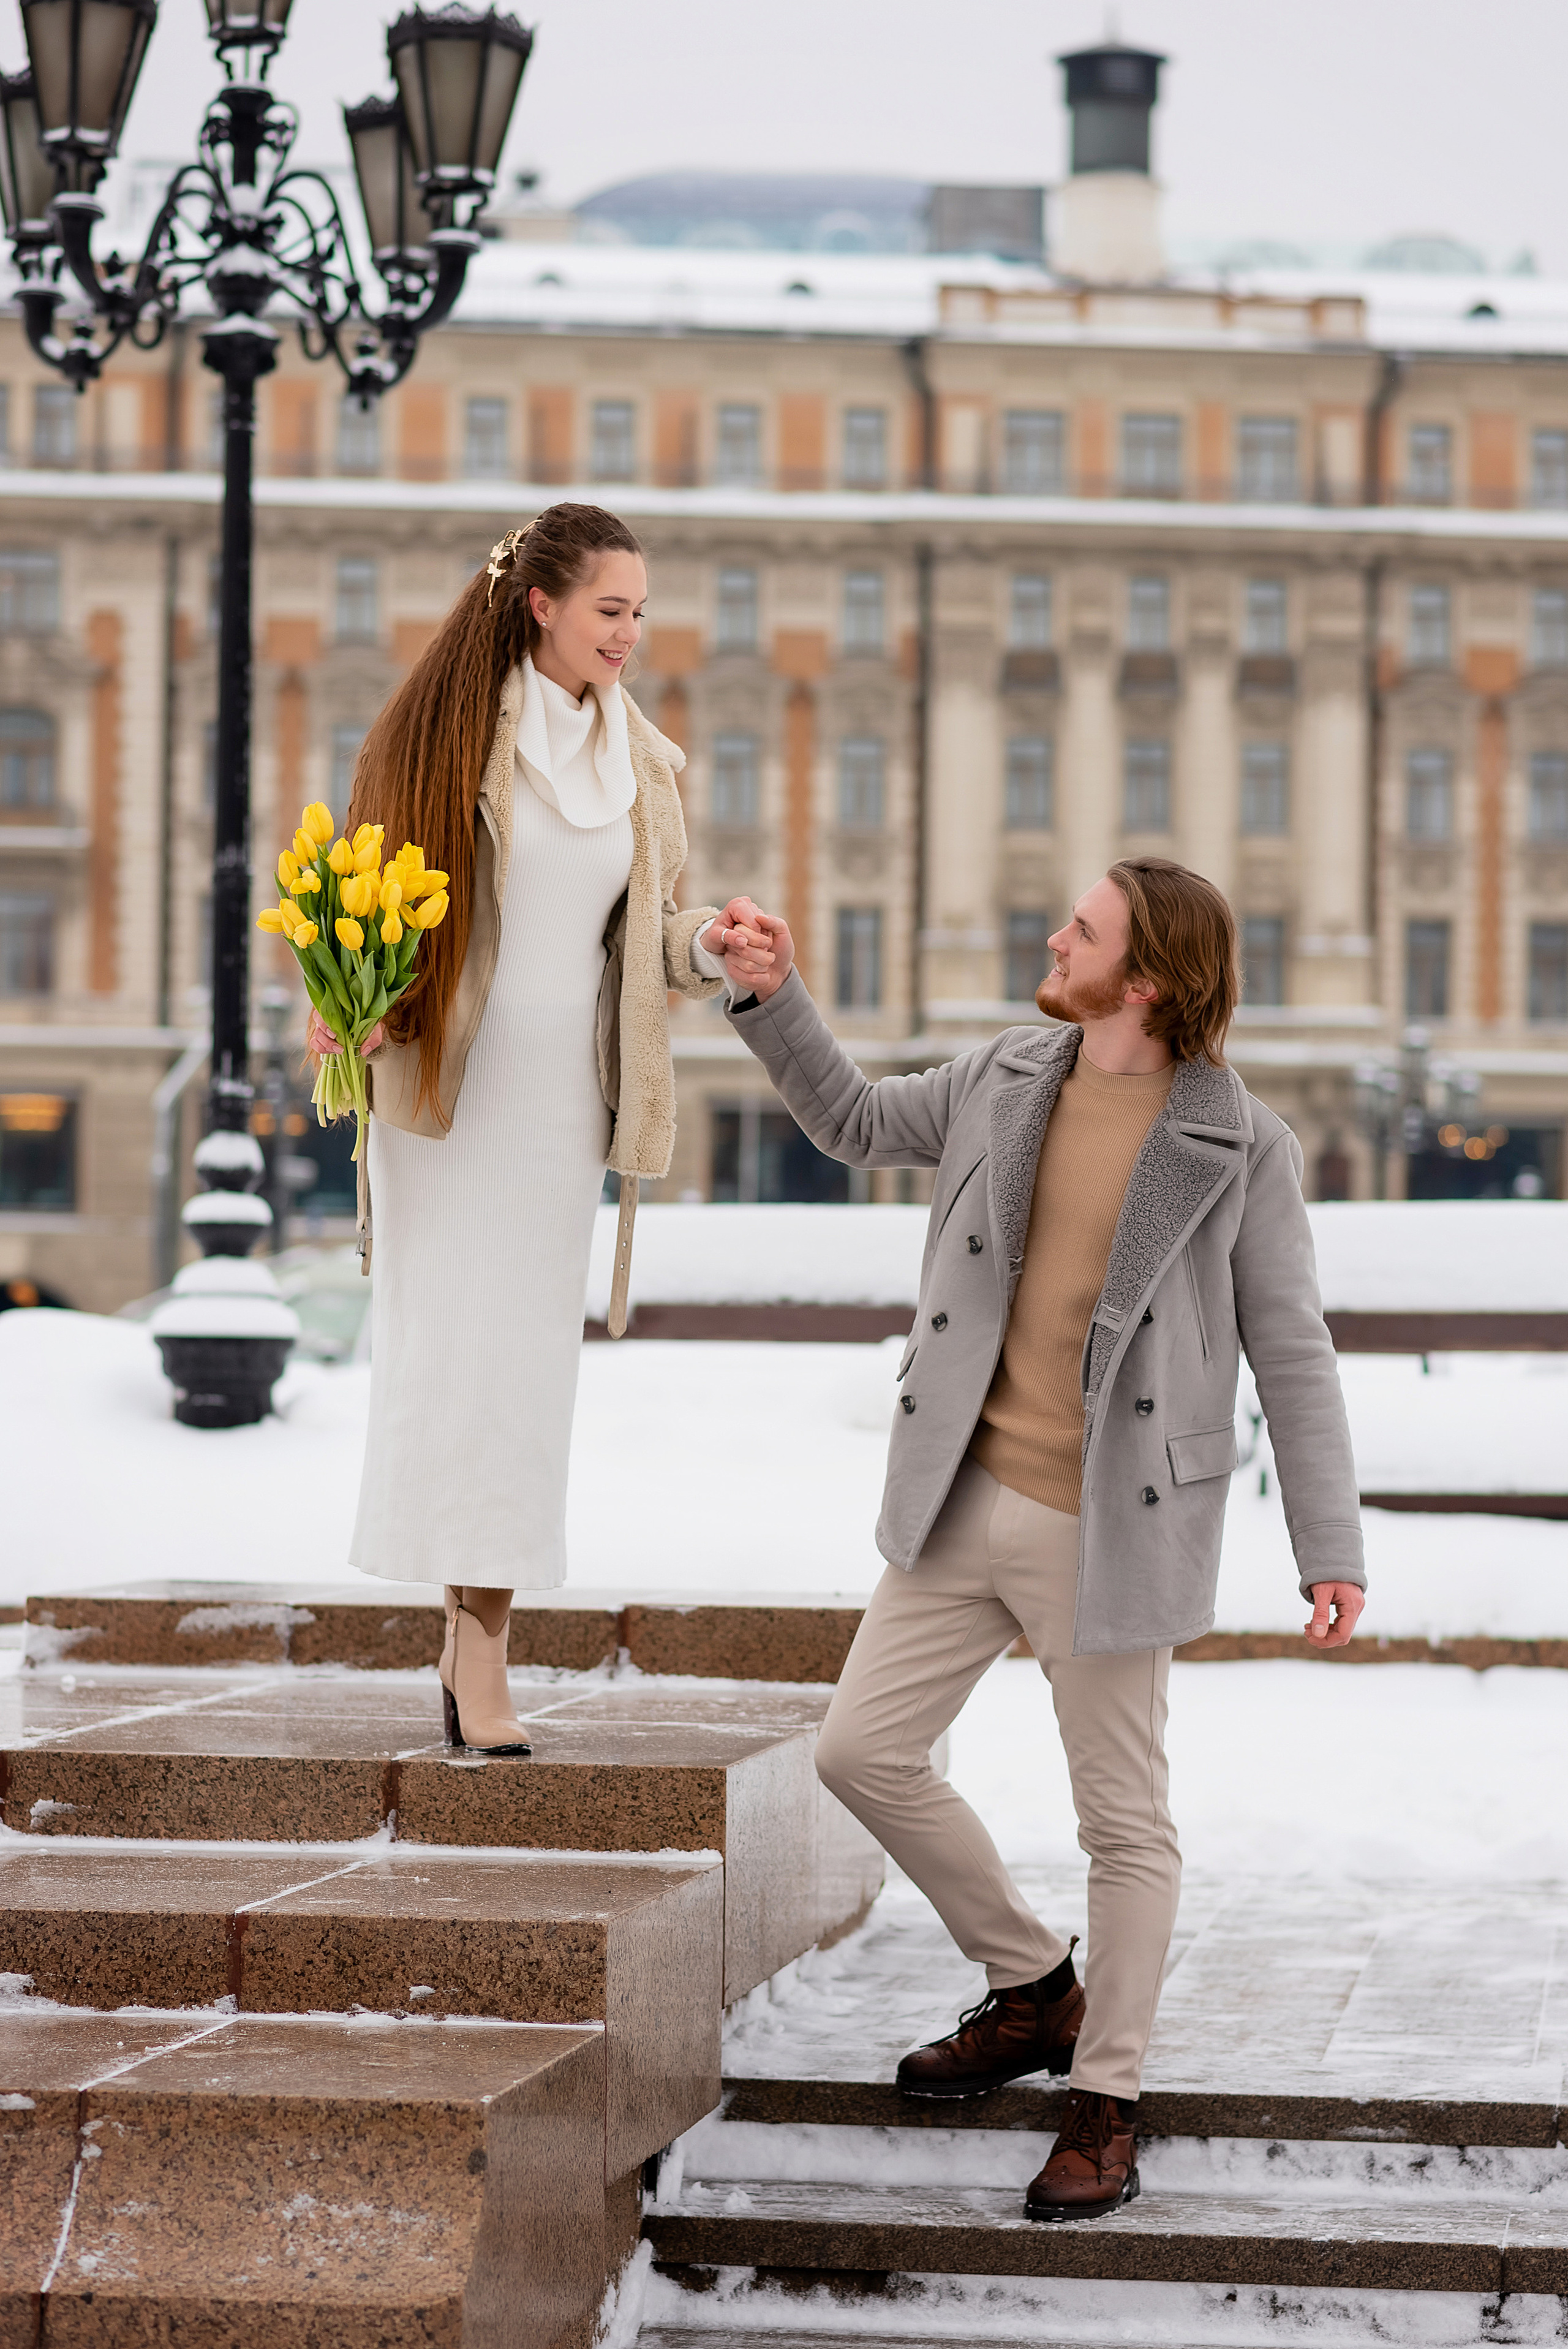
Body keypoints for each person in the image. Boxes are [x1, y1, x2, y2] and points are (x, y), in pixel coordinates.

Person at [718, 858, 1365, 2222]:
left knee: (1121, 1823)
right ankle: (1034, 1988)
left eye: (1079, 929)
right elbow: (843, 1118)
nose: (1051, 937)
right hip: (959, 1495)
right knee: (858, 1751)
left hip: (1110, 1521)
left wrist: (1327, 1539)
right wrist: (770, 996)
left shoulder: (1239, 1142)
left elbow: (1290, 1352)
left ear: (1143, 979)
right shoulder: (1004, 1074)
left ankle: (1104, 2103)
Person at [313, 502, 772, 1753]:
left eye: (639, 611)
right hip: (451, 1104)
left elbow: (645, 940)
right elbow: (366, 893)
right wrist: (349, 1004)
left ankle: (480, 1642)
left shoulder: (642, 762)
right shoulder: (449, 732)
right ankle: (476, 1645)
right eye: (610, 609)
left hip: (564, 1107)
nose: (631, 633)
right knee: (450, 1370)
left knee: (525, 1383)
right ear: (542, 609)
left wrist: (712, 947)